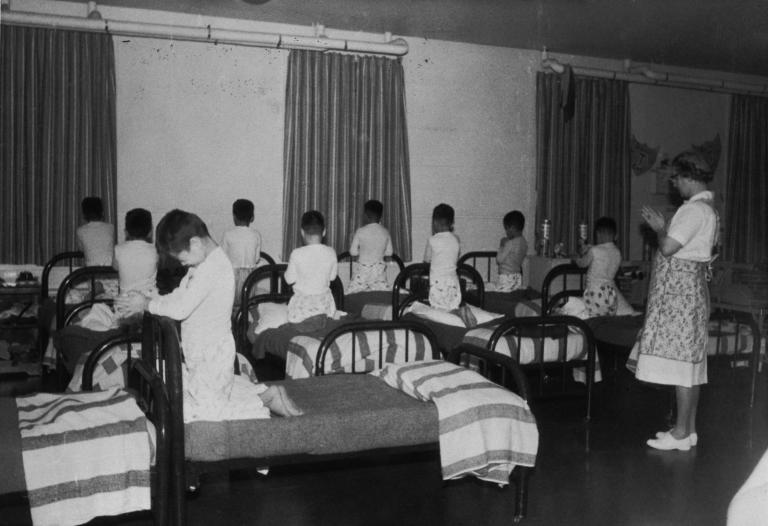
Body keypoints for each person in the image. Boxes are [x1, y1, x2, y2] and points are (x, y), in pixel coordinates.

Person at [116, 209, 301, 422]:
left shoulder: (214, 268)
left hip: (212, 355)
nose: (183, 264)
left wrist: (147, 305)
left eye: (182, 259)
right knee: (196, 398)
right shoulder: (202, 264)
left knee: (203, 413)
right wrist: (155, 298)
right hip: (200, 354)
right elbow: (180, 294)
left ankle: (266, 399)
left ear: (195, 244)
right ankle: (260, 394)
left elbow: (181, 309)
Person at [627, 151, 719, 451]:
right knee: (690, 368)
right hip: (689, 292)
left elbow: (667, 247)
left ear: (689, 177)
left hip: (679, 296)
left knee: (682, 368)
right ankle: (688, 431)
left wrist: (659, 227)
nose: (675, 183)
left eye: (677, 178)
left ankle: (680, 432)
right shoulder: (707, 209)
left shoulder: (694, 211)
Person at [285, 210, 339, 323]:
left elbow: (289, 279)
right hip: (325, 309)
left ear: (302, 232)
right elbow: (333, 277)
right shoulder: (331, 252)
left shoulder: (296, 253)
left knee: (293, 316)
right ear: (324, 231)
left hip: (302, 310)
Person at [574, 217, 622, 317]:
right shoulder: (618, 253)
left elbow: (583, 263)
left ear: (598, 234)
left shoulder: (594, 251)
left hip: (595, 292)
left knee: (591, 316)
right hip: (610, 294)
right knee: (606, 319)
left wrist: (576, 259)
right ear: (616, 236)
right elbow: (606, 252)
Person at [347, 199, 394, 293]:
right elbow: (389, 252)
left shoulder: (360, 231)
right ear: (381, 215)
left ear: (366, 215)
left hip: (363, 271)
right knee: (383, 292)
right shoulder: (385, 232)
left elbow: (353, 252)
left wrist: (364, 252)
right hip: (379, 271)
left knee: (351, 292)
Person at [221, 199, 262, 304]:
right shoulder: (256, 235)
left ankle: (234, 318)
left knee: (231, 302)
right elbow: (257, 258)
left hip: (232, 274)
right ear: (252, 217)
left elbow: (223, 258)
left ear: (234, 216)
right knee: (250, 301)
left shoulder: (228, 234)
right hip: (250, 276)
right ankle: (255, 319)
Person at [424, 203, 461, 311]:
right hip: (453, 282)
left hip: (437, 283)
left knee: (438, 308)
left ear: (434, 222)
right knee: (453, 307)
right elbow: (456, 258)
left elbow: (426, 261)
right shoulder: (456, 239)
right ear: (452, 223)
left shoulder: (432, 240)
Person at [114, 208, 158, 296]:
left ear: (126, 232)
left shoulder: (118, 249)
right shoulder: (155, 251)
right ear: (150, 232)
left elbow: (115, 267)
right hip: (148, 304)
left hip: (124, 304)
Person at [76, 196, 115, 266]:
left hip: (91, 272)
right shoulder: (111, 227)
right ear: (102, 212)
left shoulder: (80, 231)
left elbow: (81, 249)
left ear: (84, 214)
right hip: (109, 271)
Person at [496, 211, 528, 292]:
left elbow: (499, 259)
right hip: (518, 277)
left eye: (506, 228)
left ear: (512, 228)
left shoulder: (510, 243)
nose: (506, 232)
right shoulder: (524, 242)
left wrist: (502, 245)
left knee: (500, 292)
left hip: (506, 277)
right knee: (513, 294)